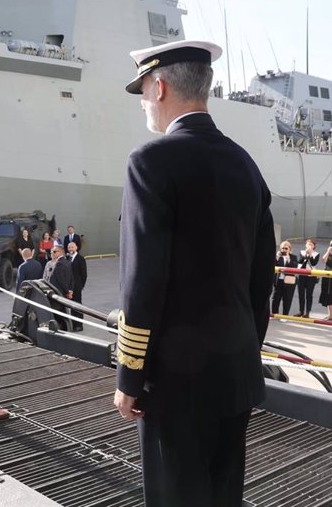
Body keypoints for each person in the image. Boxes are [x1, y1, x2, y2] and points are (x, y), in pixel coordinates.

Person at [114, 40, 275, 507]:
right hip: (236, 375)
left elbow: (143, 281)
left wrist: (129, 376)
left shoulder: (149, 162)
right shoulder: (246, 166)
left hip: (173, 384)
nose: (144, 101)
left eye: (143, 90)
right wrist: (243, 352)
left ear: (160, 86)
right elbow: (260, 282)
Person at [295, 238, 319, 318]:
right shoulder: (302, 252)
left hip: (311, 276)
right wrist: (306, 254)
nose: (309, 246)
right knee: (301, 294)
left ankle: (307, 312)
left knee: (309, 295)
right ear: (306, 245)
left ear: (313, 246)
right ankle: (301, 311)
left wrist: (310, 255)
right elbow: (300, 261)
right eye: (308, 244)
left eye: (311, 245)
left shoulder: (316, 254)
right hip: (301, 275)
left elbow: (313, 263)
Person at [272, 240, 297, 315]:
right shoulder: (278, 256)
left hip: (289, 281)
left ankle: (285, 315)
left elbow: (295, 267)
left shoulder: (293, 257)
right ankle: (274, 313)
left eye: (286, 248)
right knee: (276, 298)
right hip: (279, 280)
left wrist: (288, 259)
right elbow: (273, 266)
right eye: (282, 248)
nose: (284, 250)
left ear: (290, 249)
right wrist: (277, 257)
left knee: (287, 299)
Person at [67, 242, 87, 331]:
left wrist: (81, 286)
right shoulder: (67, 258)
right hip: (69, 287)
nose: (70, 249)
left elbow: (84, 274)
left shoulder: (80, 259)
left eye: (72, 247)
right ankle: (74, 323)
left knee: (78, 305)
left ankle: (79, 325)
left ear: (76, 248)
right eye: (69, 247)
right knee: (71, 306)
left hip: (77, 286)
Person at [318, 240, 332, 319]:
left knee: (331, 296)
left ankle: (331, 315)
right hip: (327, 276)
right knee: (327, 295)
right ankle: (330, 315)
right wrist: (328, 252)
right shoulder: (329, 254)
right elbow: (323, 260)